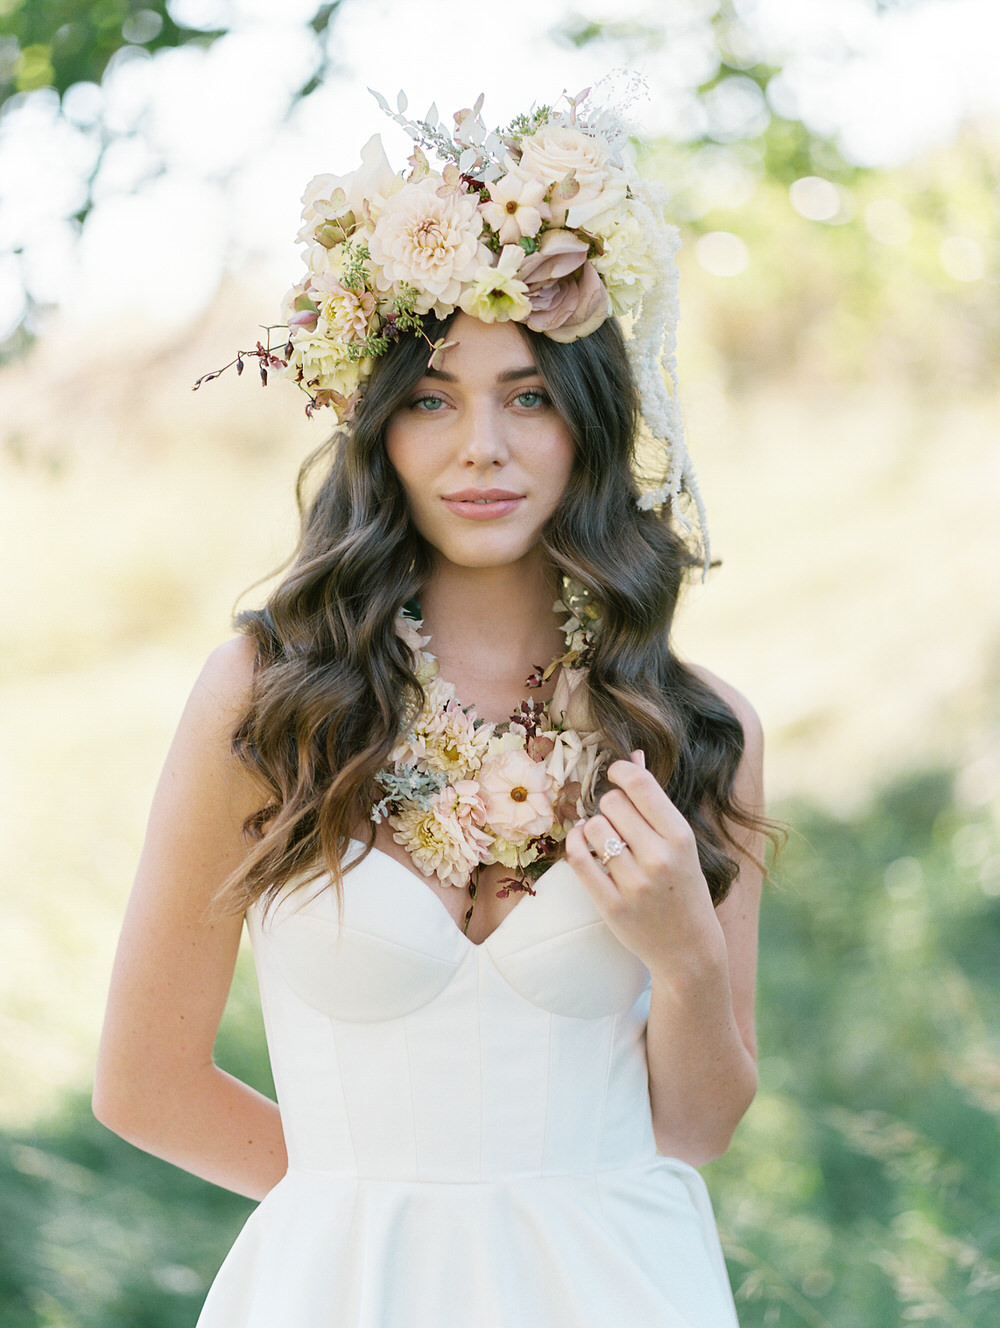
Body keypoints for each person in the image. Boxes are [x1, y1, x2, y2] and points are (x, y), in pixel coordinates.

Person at [94, 85, 769, 1327]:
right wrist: (374, 1217)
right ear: (377, 424)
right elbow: (144, 1081)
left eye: (526, 394)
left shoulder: (691, 723)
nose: (481, 449)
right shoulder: (267, 696)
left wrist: (681, 953)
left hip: (620, 1286)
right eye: (431, 396)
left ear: (587, 420)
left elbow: (699, 1122)